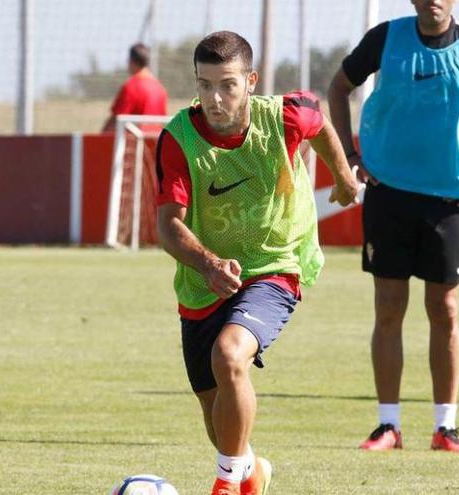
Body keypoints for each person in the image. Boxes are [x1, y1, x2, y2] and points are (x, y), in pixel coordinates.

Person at [155, 31, 359, 495]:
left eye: (227, 84)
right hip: (203, 284)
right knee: (217, 416)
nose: (214, 98)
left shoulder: (283, 116)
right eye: (204, 85)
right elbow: (168, 225)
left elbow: (319, 121)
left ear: (251, 81)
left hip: (274, 267)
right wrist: (207, 264)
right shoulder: (178, 139)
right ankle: (250, 470)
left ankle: (225, 485)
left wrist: (344, 177)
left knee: (229, 356)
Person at [328, 0, 459, 453]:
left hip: (448, 199)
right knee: (388, 307)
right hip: (389, 194)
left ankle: (446, 426)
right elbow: (338, 87)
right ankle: (388, 426)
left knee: (445, 310)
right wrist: (351, 158)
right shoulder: (386, 38)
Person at [102, 42, 168, 132]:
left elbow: (115, 121)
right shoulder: (160, 89)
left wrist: (99, 138)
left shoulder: (131, 87)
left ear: (131, 61)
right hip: (156, 143)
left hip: (135, 144)